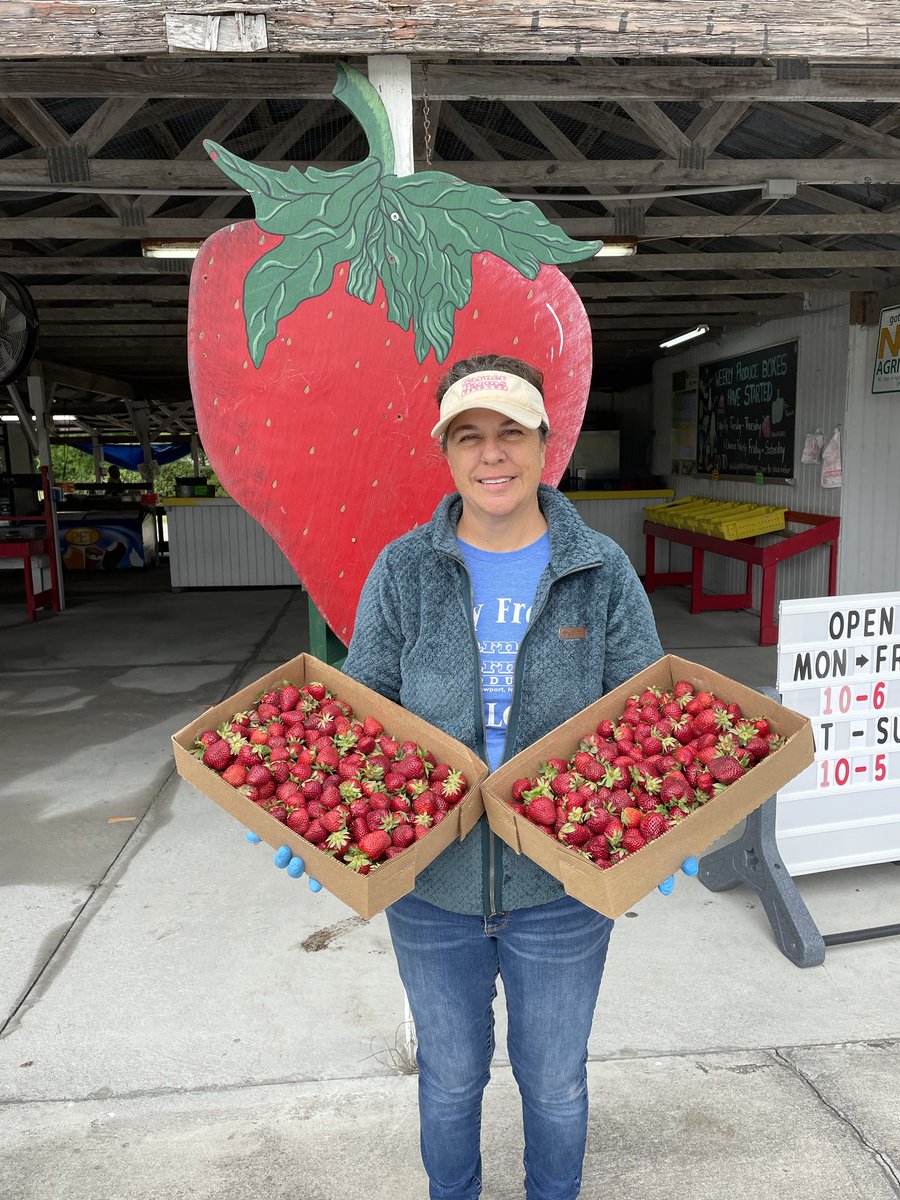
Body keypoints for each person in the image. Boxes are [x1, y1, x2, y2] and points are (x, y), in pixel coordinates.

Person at [255, 354, 696, 1200]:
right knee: (450, 1079)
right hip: (431, 884)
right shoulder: (404, 570)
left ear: (545, 442)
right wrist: (303, 813)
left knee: (555, 1081)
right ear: (446, 452)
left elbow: (648, 712)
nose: (492, 454)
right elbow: (362, 707)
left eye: (510, 433)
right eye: (469, 436)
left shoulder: (599, 570)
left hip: (561, 885)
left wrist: (669, 823)